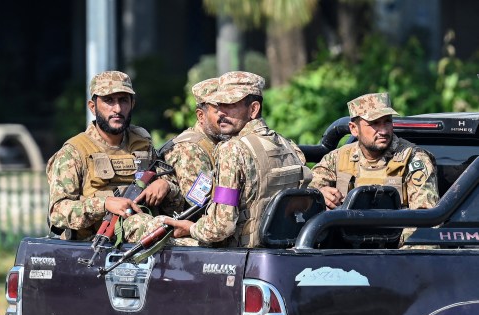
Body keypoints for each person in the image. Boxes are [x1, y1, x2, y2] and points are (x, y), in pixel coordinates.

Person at [158, 71, 308, 247]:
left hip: (242, 255)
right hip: (285, 249)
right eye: (219, 105)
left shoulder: (232, 149)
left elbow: (221, 226)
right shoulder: (286, 144)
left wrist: (190, 228)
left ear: (253, 109)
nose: (221, 112)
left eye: (230, 105)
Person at [46, 70, 183, 242]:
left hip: (146, 237)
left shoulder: (142, 144)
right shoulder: (74, 152)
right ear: (92, 106)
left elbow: (175, 198)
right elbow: (57, 213)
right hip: (96, 244)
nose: (117, 109)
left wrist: (165, 186)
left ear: (132, 104)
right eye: (109, 101)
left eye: (123, 100)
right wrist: (104, 204)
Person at [308, 92, 438, 210]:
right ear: (354, 129)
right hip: (345, 234)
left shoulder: (414, 158)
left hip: (396, 235)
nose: (384, 131)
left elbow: (424, 218)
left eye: (387, 121)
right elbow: (306, 194)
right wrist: (319, 194)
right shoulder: (337, 158)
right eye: (374, 123)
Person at [161, 77, 230, 214]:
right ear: (201, 116)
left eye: (229, 108)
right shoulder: (190, 149)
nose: (226, 116)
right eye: (218, 111)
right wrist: (236, 193)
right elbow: (200, 202)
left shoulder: (217, 141)